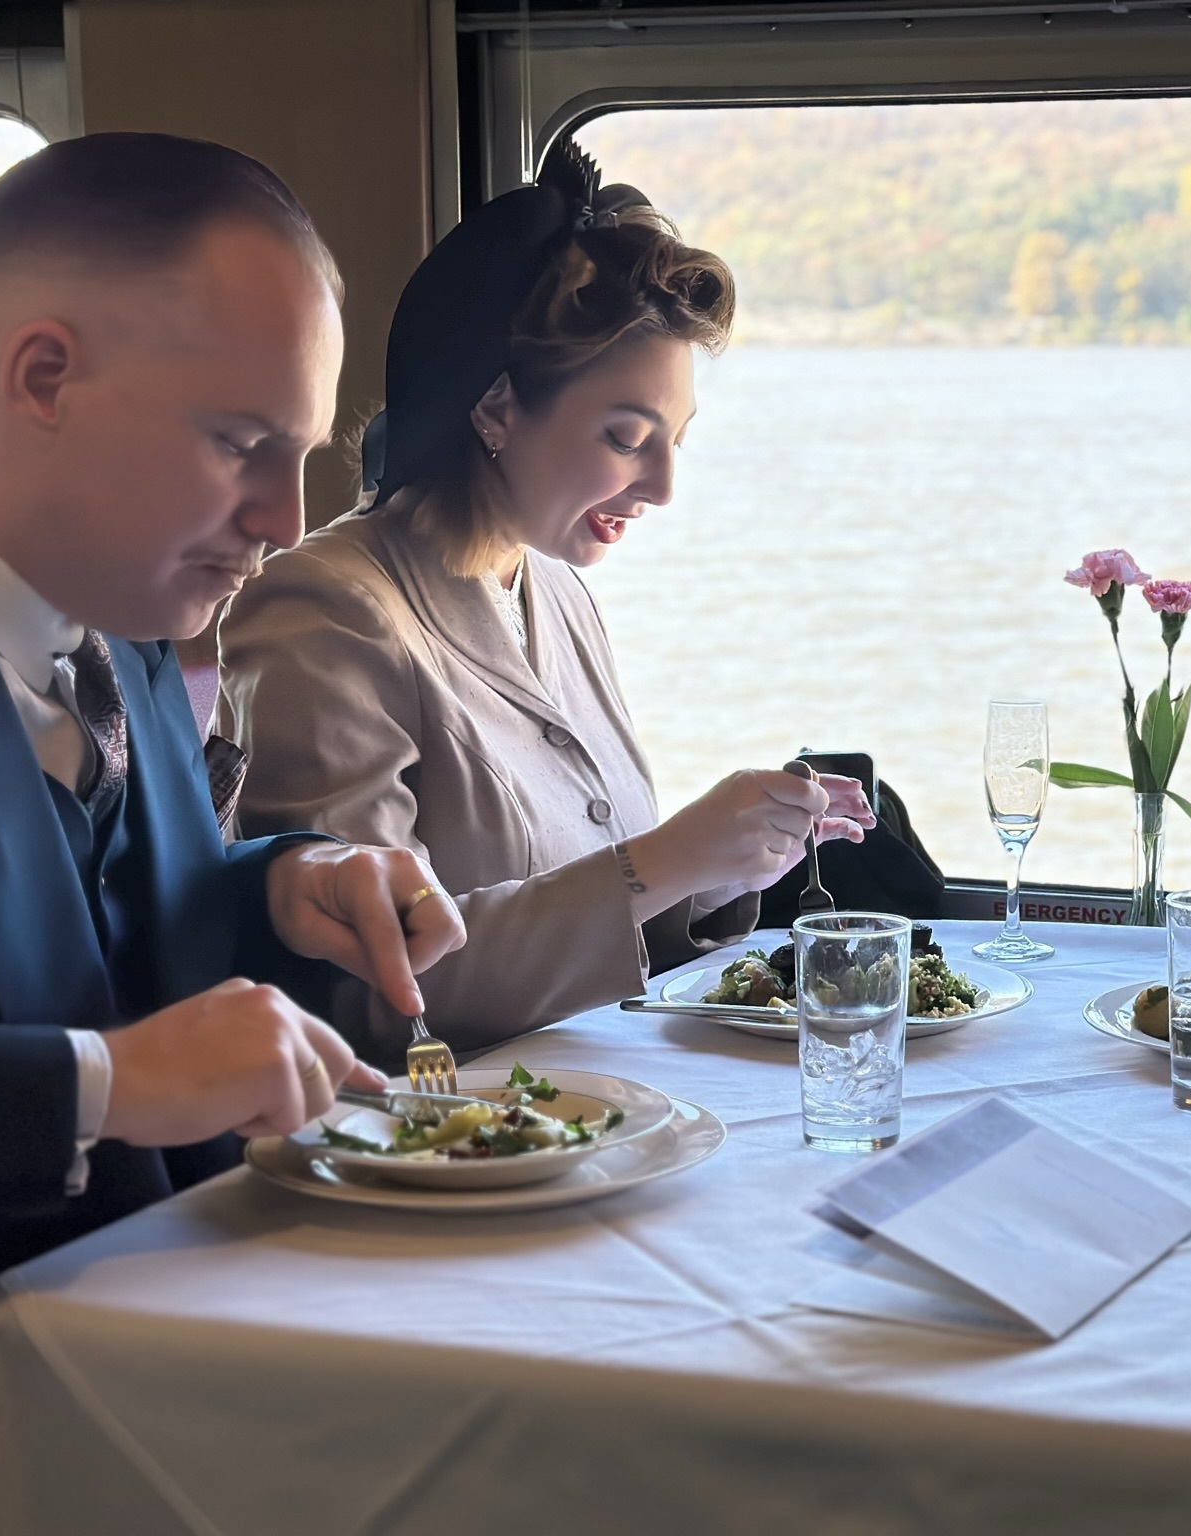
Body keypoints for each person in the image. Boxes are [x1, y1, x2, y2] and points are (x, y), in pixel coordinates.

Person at [0, 134, 466, 1338]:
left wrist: (289, 883)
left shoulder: (118, 612)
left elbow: (85, 927)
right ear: (43, 378)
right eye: (240, 445)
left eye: (301, 457)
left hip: (183, 1331)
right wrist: (104, 1087)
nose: (286, 522)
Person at [215, 138, 872, 1063]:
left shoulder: (553, 587)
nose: (663, 486)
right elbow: (378, 995)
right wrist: (670, 857)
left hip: (598, 1104)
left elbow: (601, 888)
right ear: (494, 410)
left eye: (677, 439)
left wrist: (728, 861)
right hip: (450, 1140)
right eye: (626, 435)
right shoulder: (324, 611)